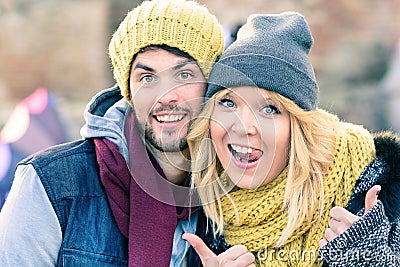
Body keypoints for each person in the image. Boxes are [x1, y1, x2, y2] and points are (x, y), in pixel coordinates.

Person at [0, 0, 226, 266]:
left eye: (185, 75)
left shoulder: (228, 201)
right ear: (128, 91)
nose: (166, 97)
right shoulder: (49, 184)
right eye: (148, 78)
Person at [184, 12, 400, 266]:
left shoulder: (377, 193)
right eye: (228, 102)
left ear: (298, 128)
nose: (243, 128)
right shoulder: (202, 213)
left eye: (269, 109)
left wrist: (368, 259)